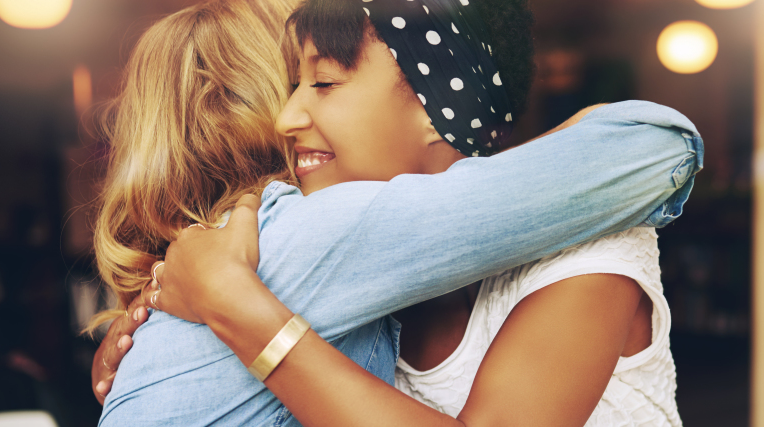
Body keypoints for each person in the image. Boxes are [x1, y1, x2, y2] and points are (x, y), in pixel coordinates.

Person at [91, 0, 700, 425]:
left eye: (324, 84)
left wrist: (239, 310)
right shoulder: (335, 281)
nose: (285, 119)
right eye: (290, 88)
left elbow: (658, 143)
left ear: (442, 112)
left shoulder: (588, 249)